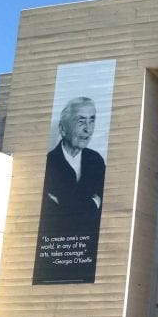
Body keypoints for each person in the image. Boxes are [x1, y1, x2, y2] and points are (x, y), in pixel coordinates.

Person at [34, 96, 106, 283]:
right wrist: (93, 202)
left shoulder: (95, 161)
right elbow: (61, 210)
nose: (87, 129)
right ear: (62, 128)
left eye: (92, 120)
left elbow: (71, 205)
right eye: (81, 121)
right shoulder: (49, 163)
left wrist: (70, 204)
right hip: (55, 259)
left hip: (88, 256)